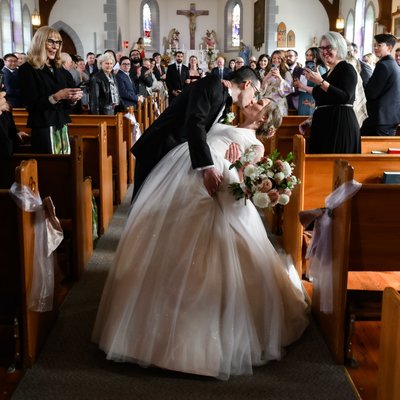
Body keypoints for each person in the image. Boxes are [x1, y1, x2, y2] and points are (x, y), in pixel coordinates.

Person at [92, 97, 309, 380]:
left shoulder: (254, 146)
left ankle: (196, 346)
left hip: (212, 198)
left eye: (260, 104)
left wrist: (234, 165)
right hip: (186, 186)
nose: (253, 102)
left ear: (263, 120)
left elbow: (240, 187)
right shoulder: (226, 121)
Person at [131, 67, 261, 199]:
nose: (254, 100)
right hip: (158, 147)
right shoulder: (213, 83)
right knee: (142, 204)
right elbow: (195, 122)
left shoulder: (224, 101)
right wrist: (207, 168)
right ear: (247, 84)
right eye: (256, 93)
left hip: (174, 156)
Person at [18, 26, 83, 154]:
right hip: (43, 125)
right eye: (51, 42)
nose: (55, 46)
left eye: (58, 42)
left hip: (61, 123)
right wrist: (56, 97)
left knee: (65, 165)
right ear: (40, 42)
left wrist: (72, 99)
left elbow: (68, 98)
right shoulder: (27, 69)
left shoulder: (60, 68)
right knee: (50, 168)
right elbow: (30, 104)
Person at [301, 31, 360, 153]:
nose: (324, 51)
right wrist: (311, 121)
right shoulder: (328, 73)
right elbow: (324, 102)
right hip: (325, 125)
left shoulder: (347, 68)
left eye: (329, 47)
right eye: (322, 48)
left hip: (340, 125)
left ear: (339, 48)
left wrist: (321, 82)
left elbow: (345, 97)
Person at [360, 33, 400, 136]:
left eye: (379, 45)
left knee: (371, 150)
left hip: (380, 119)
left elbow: (371, 93)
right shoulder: (394, 64)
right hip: (390, 117)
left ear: (389, 47)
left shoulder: (383, 65)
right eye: (375, 45)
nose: (375, 48)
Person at [293, 47, 327, 116]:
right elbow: (302, 84)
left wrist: (301, 85)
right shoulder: (305, 68)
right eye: (307, 55)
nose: (308, 57)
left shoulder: (320, 69)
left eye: (311, 55)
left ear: (316, 56)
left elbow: (320, 89)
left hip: (312, 101)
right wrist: (297, 84)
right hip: (302, 98)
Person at [261, 50, 292, 116]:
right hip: (267, 100)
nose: (276, 60)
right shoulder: (265, 72)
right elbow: (260, 88)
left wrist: (279, 77)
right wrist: (267, 76)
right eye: (274, 58)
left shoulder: (286, 73)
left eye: (278, 58)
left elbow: (288, 90)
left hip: (279, 102)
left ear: (282, 60)